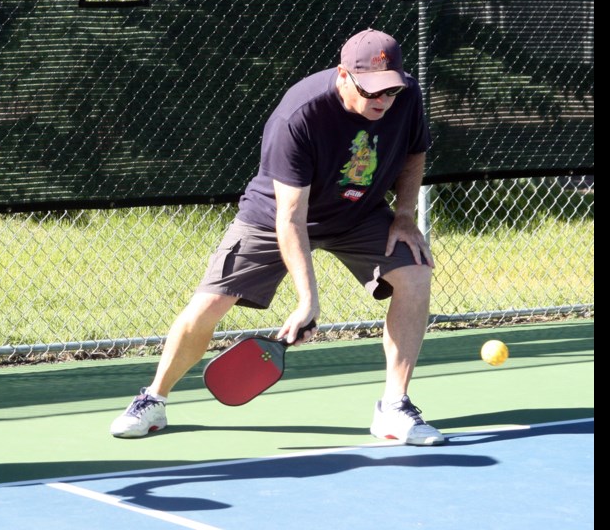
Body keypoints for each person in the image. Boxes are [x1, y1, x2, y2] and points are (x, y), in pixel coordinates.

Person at [110, 29, 445, 446]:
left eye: (390, 91)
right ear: (343, 76)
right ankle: (153, 398)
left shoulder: (405, 95)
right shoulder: (299, 115)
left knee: (414, 274)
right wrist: (308, 300)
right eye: (371, 90)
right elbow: (291, 218)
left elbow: (415, 151)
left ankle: (394, 406)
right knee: (211, 301)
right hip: (275, 215)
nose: (382, 100)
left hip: (359, 213)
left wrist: (405, 215)